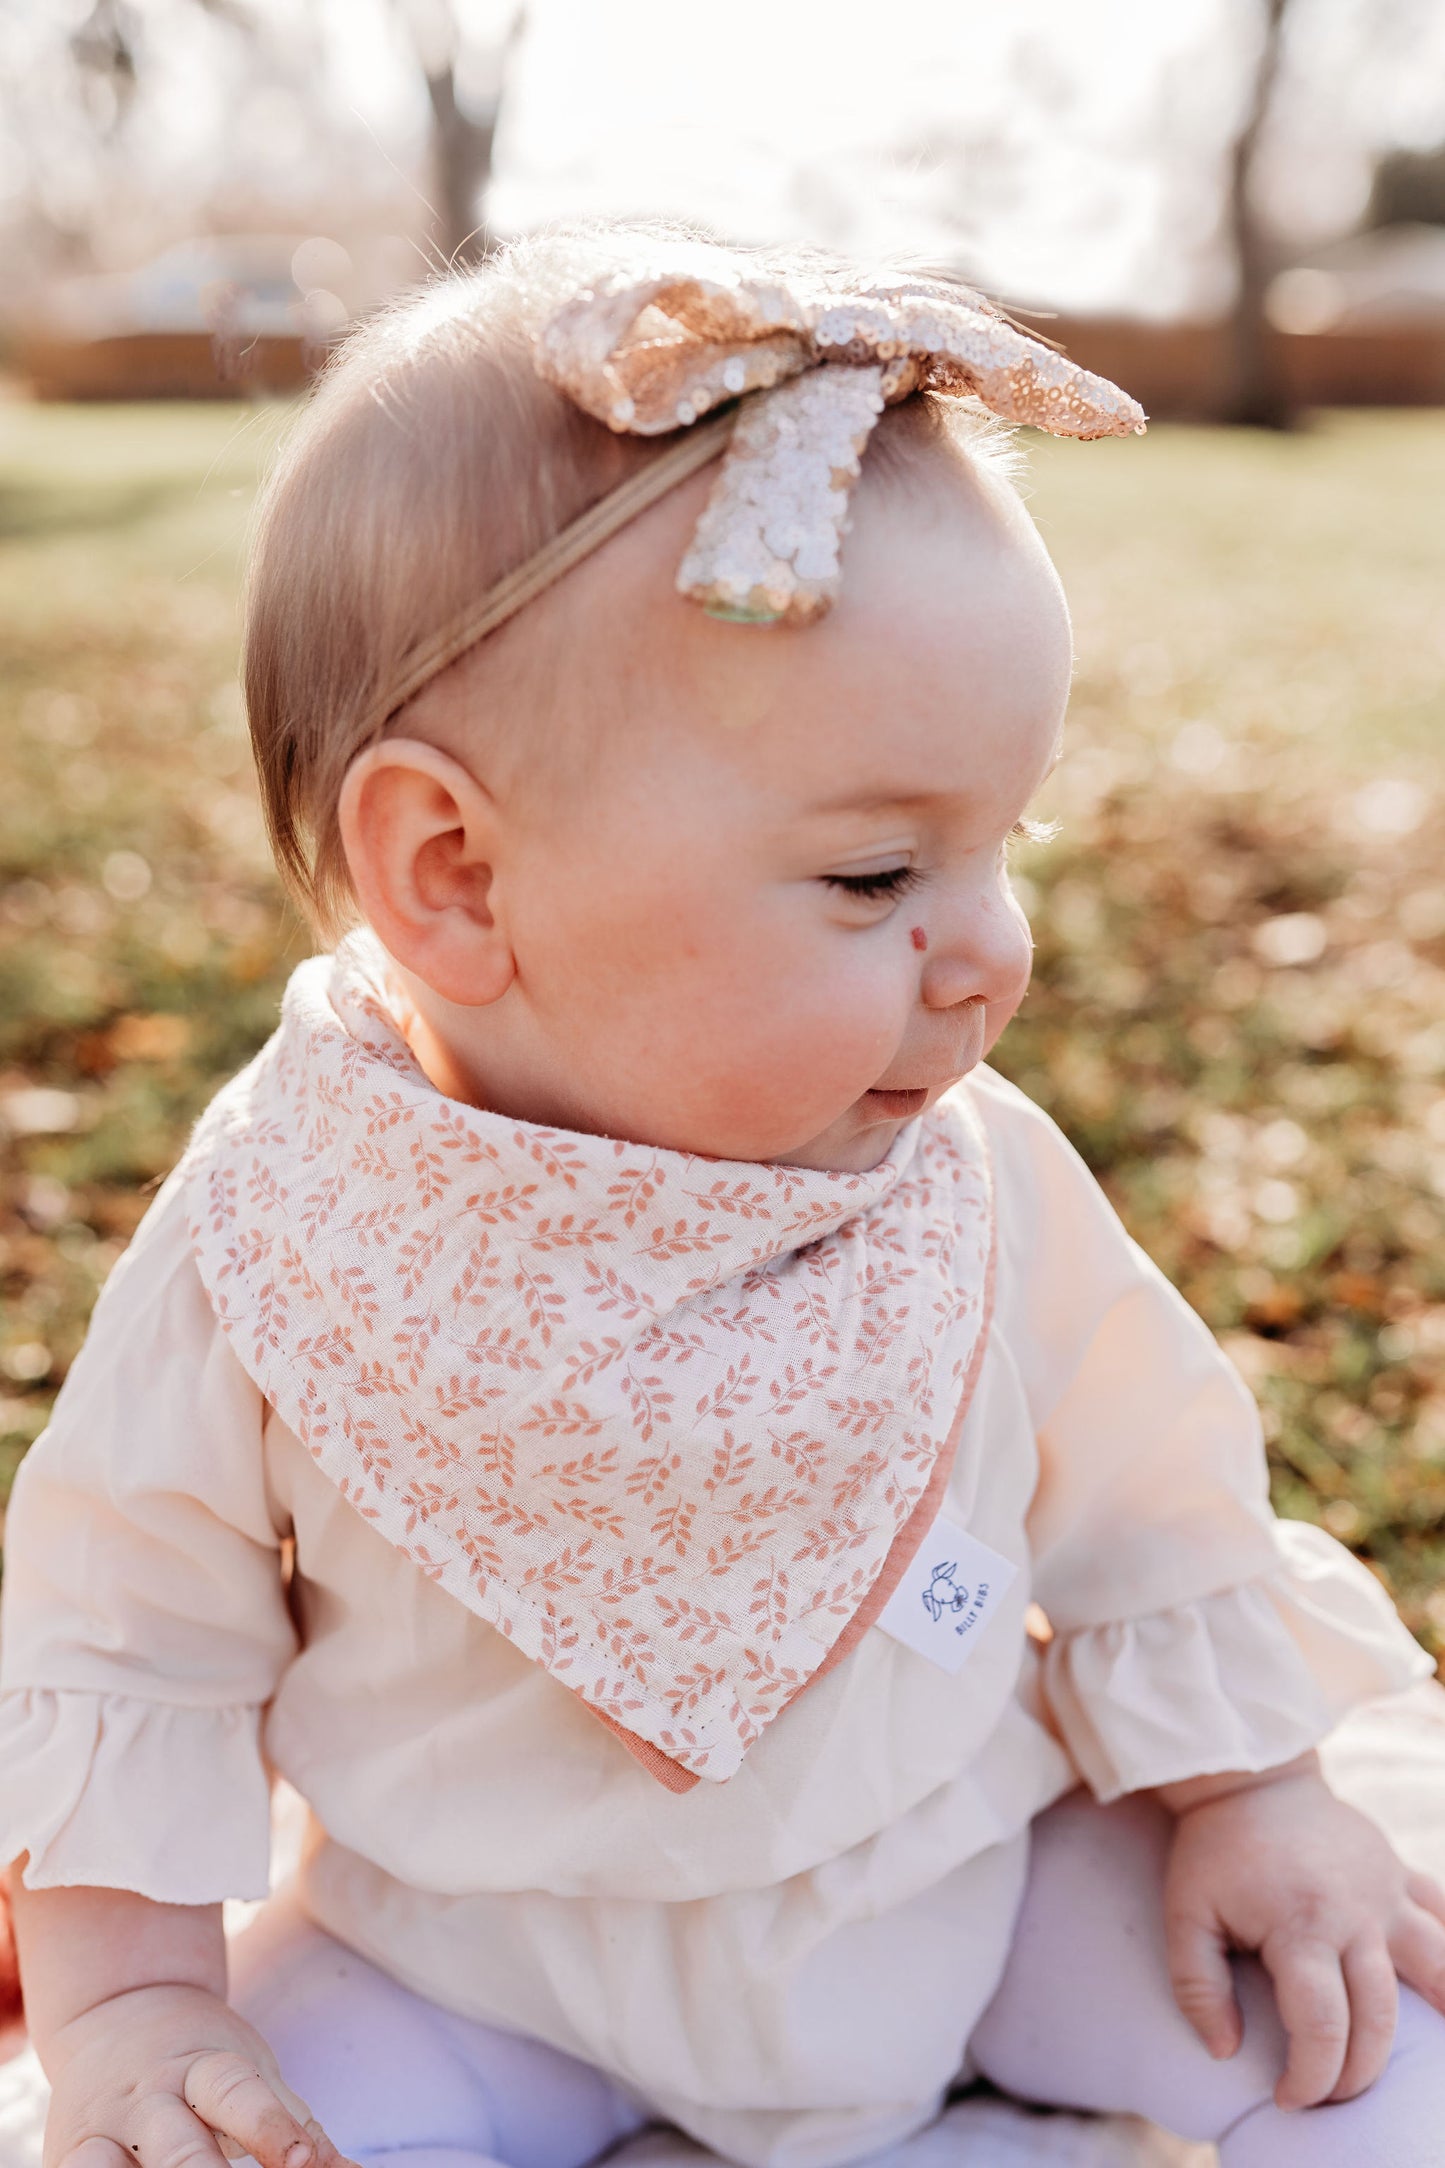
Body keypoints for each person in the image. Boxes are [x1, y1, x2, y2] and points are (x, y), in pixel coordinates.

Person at [3, 225, 1445, 2168]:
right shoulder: (294, 1232)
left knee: (1373, 2049)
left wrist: (1252, 1789)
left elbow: (1152, 1492)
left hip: (969, 1887)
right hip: (470, 1967)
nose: (990, 955)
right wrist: (137, 2003)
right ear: (455, 876)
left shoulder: (973, 1176)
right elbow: (126, 1631)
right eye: (876, 878)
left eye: (999, 847)